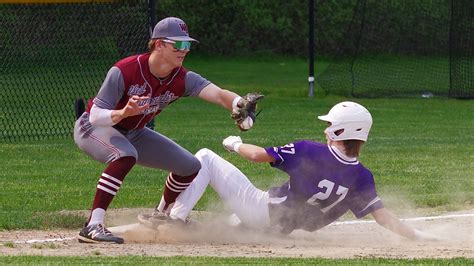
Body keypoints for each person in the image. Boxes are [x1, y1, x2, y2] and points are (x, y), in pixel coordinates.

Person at [74, 17, 262, 244]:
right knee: (125, 155)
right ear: (159, 44)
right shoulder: (125, 70)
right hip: (93, 127)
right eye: (179, 44)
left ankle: (160, 215)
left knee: (190, 166)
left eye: (188, 45)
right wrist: (124, 112)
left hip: (134, 131)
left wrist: (239, 104)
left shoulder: (181, 78)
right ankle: (93, 225)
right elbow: (96, 115)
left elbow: (219, 94)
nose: (185, 50)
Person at [155, 101, 438, 240]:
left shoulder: (309, 150)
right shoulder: (362, 176)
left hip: (264, 210)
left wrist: (234, 143)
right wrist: (417, 236)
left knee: (205, 157)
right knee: (227, 225)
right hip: (281, 229)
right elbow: (382, 217)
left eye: (331, 125)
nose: (326, 128)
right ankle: (213, 228)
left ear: (341, 130)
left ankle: (173, 218)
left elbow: (256, 155)